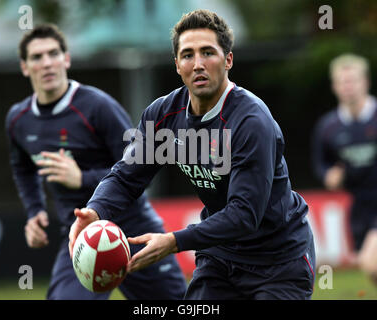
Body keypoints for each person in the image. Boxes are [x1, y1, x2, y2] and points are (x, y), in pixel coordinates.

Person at [69, 9, 315, 300]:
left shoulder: (250, 121)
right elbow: (125, 177)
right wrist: (94, 211)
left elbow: (244, 214)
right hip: (220, 259)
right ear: (177, 65)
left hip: (279, 261)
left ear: (228, 60)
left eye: (208, 52)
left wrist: (174, 241)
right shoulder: (164, 115)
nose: (198, 64)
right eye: (188, 55)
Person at [5, 23, 187, 300]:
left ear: (66, 59)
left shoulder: (98, 107)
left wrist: (82, 179)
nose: (47, 63)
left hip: (133, 229)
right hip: (80, 236)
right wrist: (34, 211)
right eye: (37, 57)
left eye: (53, 54)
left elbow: (139, 168)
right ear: (24, 67)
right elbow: (22, 167)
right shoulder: (18, 119)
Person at [312, 53, 377, 284]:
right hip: (359, 206)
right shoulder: (328, 127)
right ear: (335, 86)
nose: (348, 87)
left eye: (353, 80)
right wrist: (330, 176)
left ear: (365, 82)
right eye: (342, 82)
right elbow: (322, 165)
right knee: (368, 268)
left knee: (373, 262)